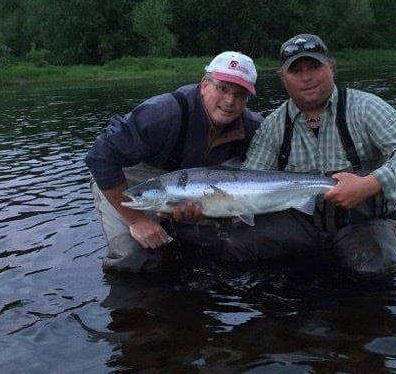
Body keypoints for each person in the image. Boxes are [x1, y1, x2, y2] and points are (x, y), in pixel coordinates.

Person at [223, 33, 396, 279]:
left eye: (314, 66)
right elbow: (248, 182)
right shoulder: (272, 127)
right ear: (283, 79)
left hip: (363, 222)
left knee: (376, 268)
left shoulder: (365, 107)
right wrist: (209, 204)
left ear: (331, 68)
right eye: (296, 70)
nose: (306, 77)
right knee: (233, 245)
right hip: (301, 225)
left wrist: (368, 184)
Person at [85, 51, 263, 273]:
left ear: (247, 100)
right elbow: (100, 156)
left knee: (219, 247)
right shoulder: (163, 112)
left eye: (240, 94)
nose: (230, 101)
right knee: (134, 259)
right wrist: (136, 220)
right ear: (204, 85)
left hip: (194, 189)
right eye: (222, 88)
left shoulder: (253, 128)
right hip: (129, 182)